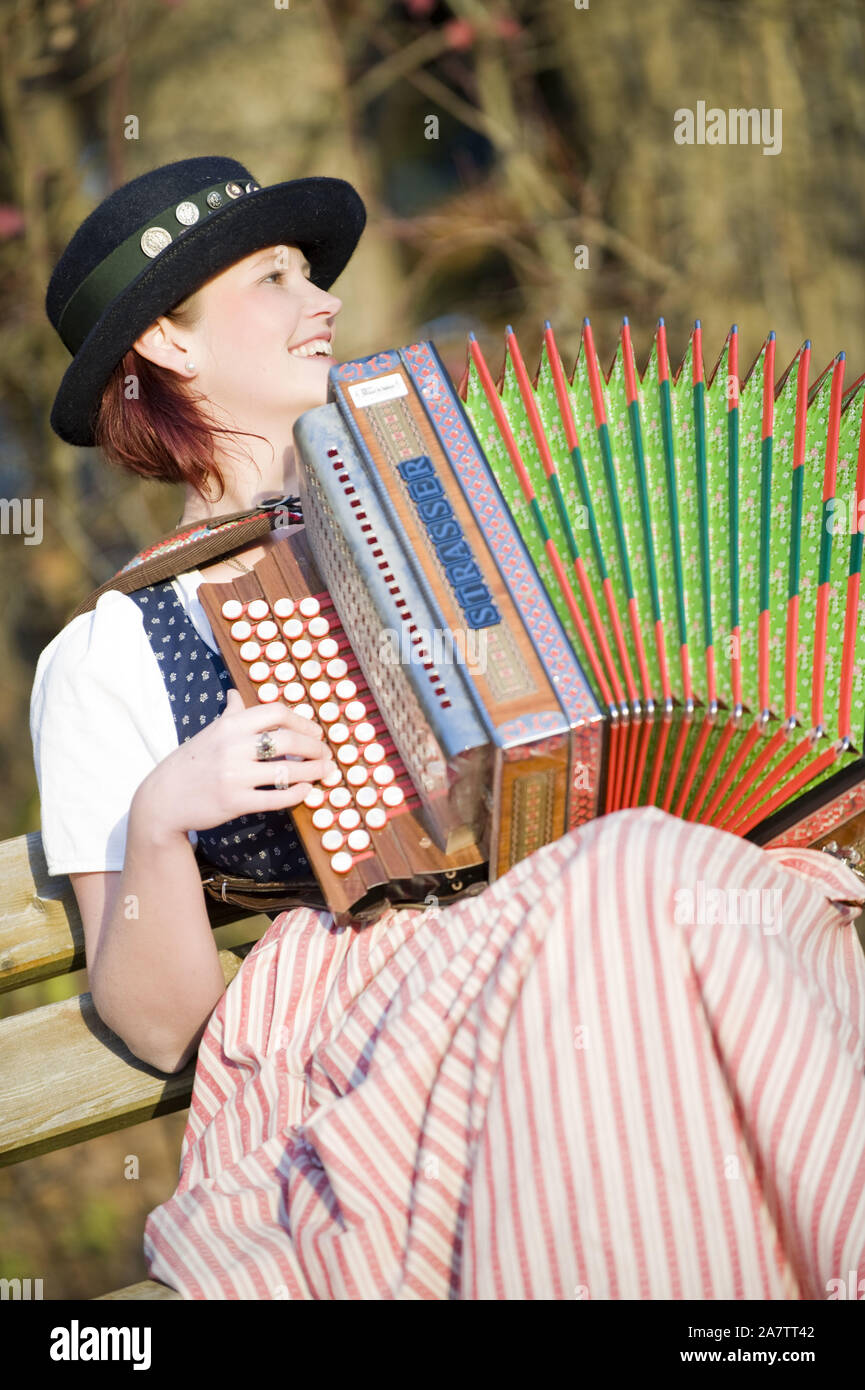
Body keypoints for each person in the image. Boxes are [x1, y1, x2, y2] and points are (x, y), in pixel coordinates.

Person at [30, 155, 865, 1300]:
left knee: (688, 891)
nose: (324, 301)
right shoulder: (110, 653)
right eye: (273, 278)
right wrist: (163, 819)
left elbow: (680, 685)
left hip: (632, 921)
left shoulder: (489, 512)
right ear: (167, 344)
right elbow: (160, 1026)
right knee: (643, 885)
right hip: (386, 998)